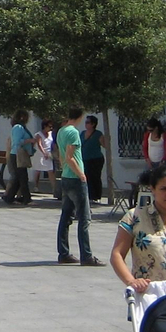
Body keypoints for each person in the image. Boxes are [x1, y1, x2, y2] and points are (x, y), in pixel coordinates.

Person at [55, 105, 98, 265]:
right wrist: (81, 174)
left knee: (66, 216)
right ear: (80, 116)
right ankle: (86, 256)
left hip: (66, 176)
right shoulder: (73, 132)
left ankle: (63, 253)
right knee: (84, 218)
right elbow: (69, 156)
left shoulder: (61, 131)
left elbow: (61, 155)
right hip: (74, 178)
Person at [2, 110, 35, 204]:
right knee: (23, 177)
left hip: (18, 154)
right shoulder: (18, 127)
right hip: (17, 154)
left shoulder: (21, 127)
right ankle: (26, 199)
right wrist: (29, 141)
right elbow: (17, 142)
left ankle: (9, 197)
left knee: (18, 178)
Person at [81, 115, 108, 206]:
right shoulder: (82, 133)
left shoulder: (98, 134)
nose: (86, 124)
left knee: (95, 177)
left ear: (93, 124)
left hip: (96, 159)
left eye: (88, 122)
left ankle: (96, 196)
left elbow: (104, 145)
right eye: (86, 122)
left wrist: (107, 139)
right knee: (87, 177)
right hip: (85, 159)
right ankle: (89, 195)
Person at [32, 120, 56, 195]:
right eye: (49, 126)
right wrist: (43, 153)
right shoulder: (38, 135)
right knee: (38, 170)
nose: (51, 128)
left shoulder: (51, 134)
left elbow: (53, 143)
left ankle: (54, 188)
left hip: (48, 154)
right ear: (45, 126)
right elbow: (39, 144)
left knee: (50, 170)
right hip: (40, 154)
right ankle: (36, 186)